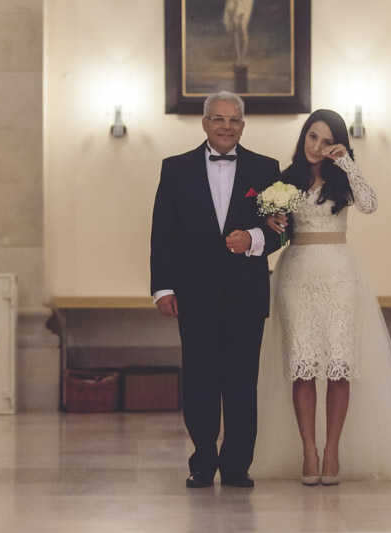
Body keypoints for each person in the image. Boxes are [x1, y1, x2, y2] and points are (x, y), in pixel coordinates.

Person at [252, 109, 391, 485]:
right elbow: (270, 222)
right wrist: (269, 220)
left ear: (338, 144)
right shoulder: (285, 179)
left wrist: (347, 163)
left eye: (326, 140)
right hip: (296, 273)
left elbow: (369, 204)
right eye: (312, 137)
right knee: (302, 366)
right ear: (303, 138)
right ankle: (308, 451)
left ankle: (332, 449)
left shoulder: (342, 179)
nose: (317, 146)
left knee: (339, 365)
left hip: (340, 276)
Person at [150, 91, 282, 488]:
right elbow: (162, 233)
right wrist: (162, 288)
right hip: (194, 294)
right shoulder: (175, 169)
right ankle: (203, 462)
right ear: (205, 123)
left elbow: (282, 229)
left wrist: (254, 238)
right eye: (218, 119)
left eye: (234, 120)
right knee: (201, 381)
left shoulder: (265, 168)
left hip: (247, 295)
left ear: (243, 125)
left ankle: (238, 465)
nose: (226, 126)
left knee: (242, 382)